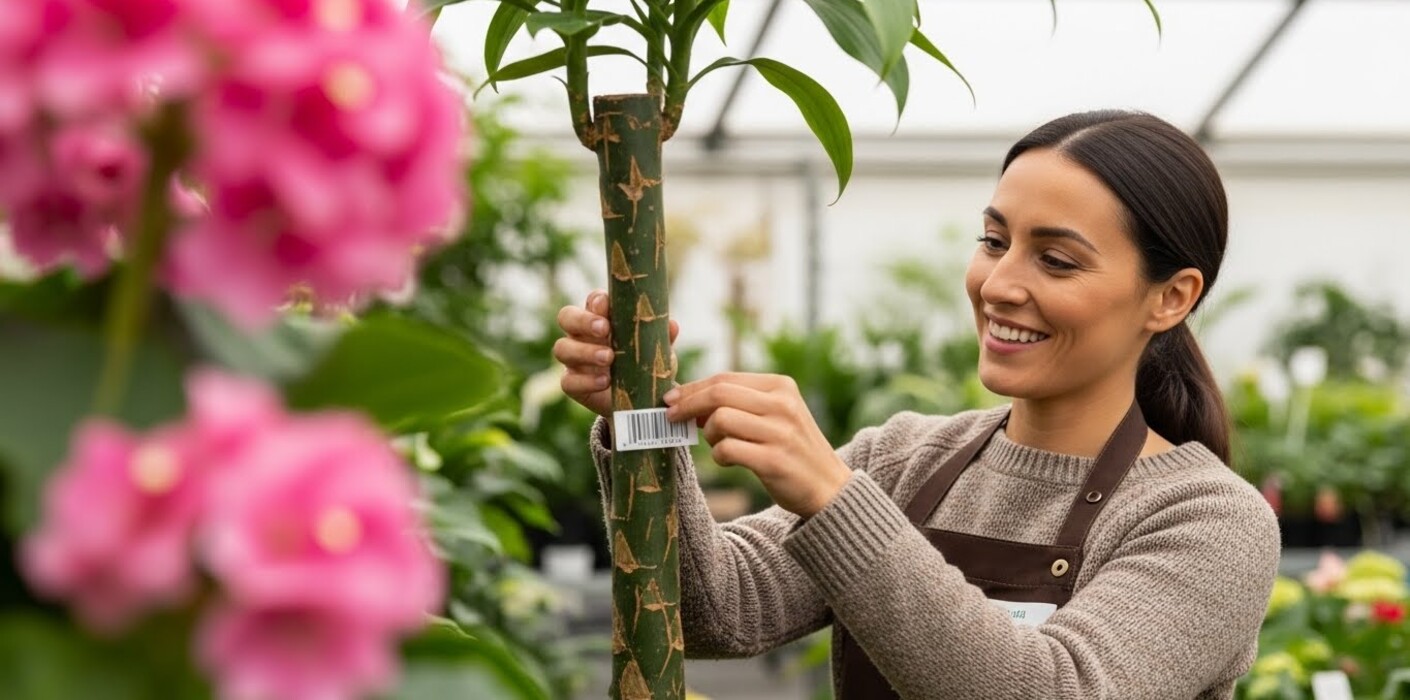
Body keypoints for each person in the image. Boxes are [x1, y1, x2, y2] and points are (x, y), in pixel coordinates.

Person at [553, 110, 1280, 699]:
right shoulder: (906, 458)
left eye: (1056, 260)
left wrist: (835, 499)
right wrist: (638, 418)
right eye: (993, 241)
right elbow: (712, 610)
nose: (998, 285)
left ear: (1170, 297)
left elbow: (1056, 689)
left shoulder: (1208, 520)